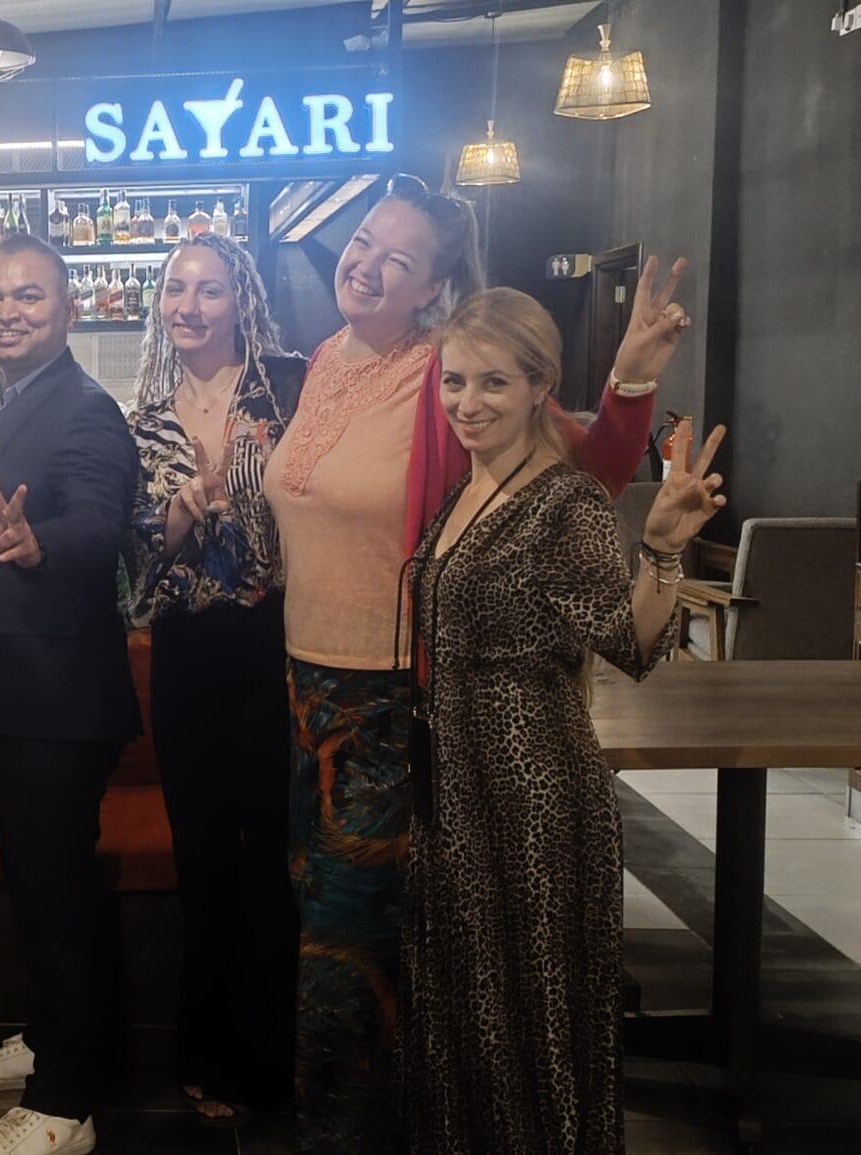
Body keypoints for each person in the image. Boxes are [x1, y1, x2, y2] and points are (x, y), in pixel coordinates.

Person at [261, 175, 665, 1151]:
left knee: (347, 957)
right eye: (363, 242)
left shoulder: (443, 375)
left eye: (397, 259)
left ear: (434, 288)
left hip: (388, 702)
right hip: (307, 696)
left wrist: (630, 385)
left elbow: (577, 471)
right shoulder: (321, 361)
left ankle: (348, 1139)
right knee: (325, 926)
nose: (366, 265)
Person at [403, 287, 721, 1152]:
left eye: (493, 383)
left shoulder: (565, 501)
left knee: (533, 1017)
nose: (469, 402)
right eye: (455, 381)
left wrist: (661, 550)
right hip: (456, 790)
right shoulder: (467, 489)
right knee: (468, 1008)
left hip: (534, 795)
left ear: (540, 386)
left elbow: (630, 643)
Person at [0, 233, 142, 1155]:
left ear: (69, 310)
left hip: (55, 699)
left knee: (57, 893)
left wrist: (41, 543)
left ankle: (67, 1099)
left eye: (29, 296)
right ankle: (54, 1036)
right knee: (39, 887)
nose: (7, 311)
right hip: (8, 690)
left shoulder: (87, 410)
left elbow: (102, 521)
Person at [120, 233, 302, 1129]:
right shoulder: (143, 420)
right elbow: (140, 555)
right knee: (200, 851)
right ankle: (204, 1045)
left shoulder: (286, 391)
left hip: (272, 642)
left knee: (265, 850)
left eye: (209, 289)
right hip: (185, 649)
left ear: (243, 300)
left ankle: (269, 1054)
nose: (188, 306)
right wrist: (182, 515)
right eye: (175, 288)